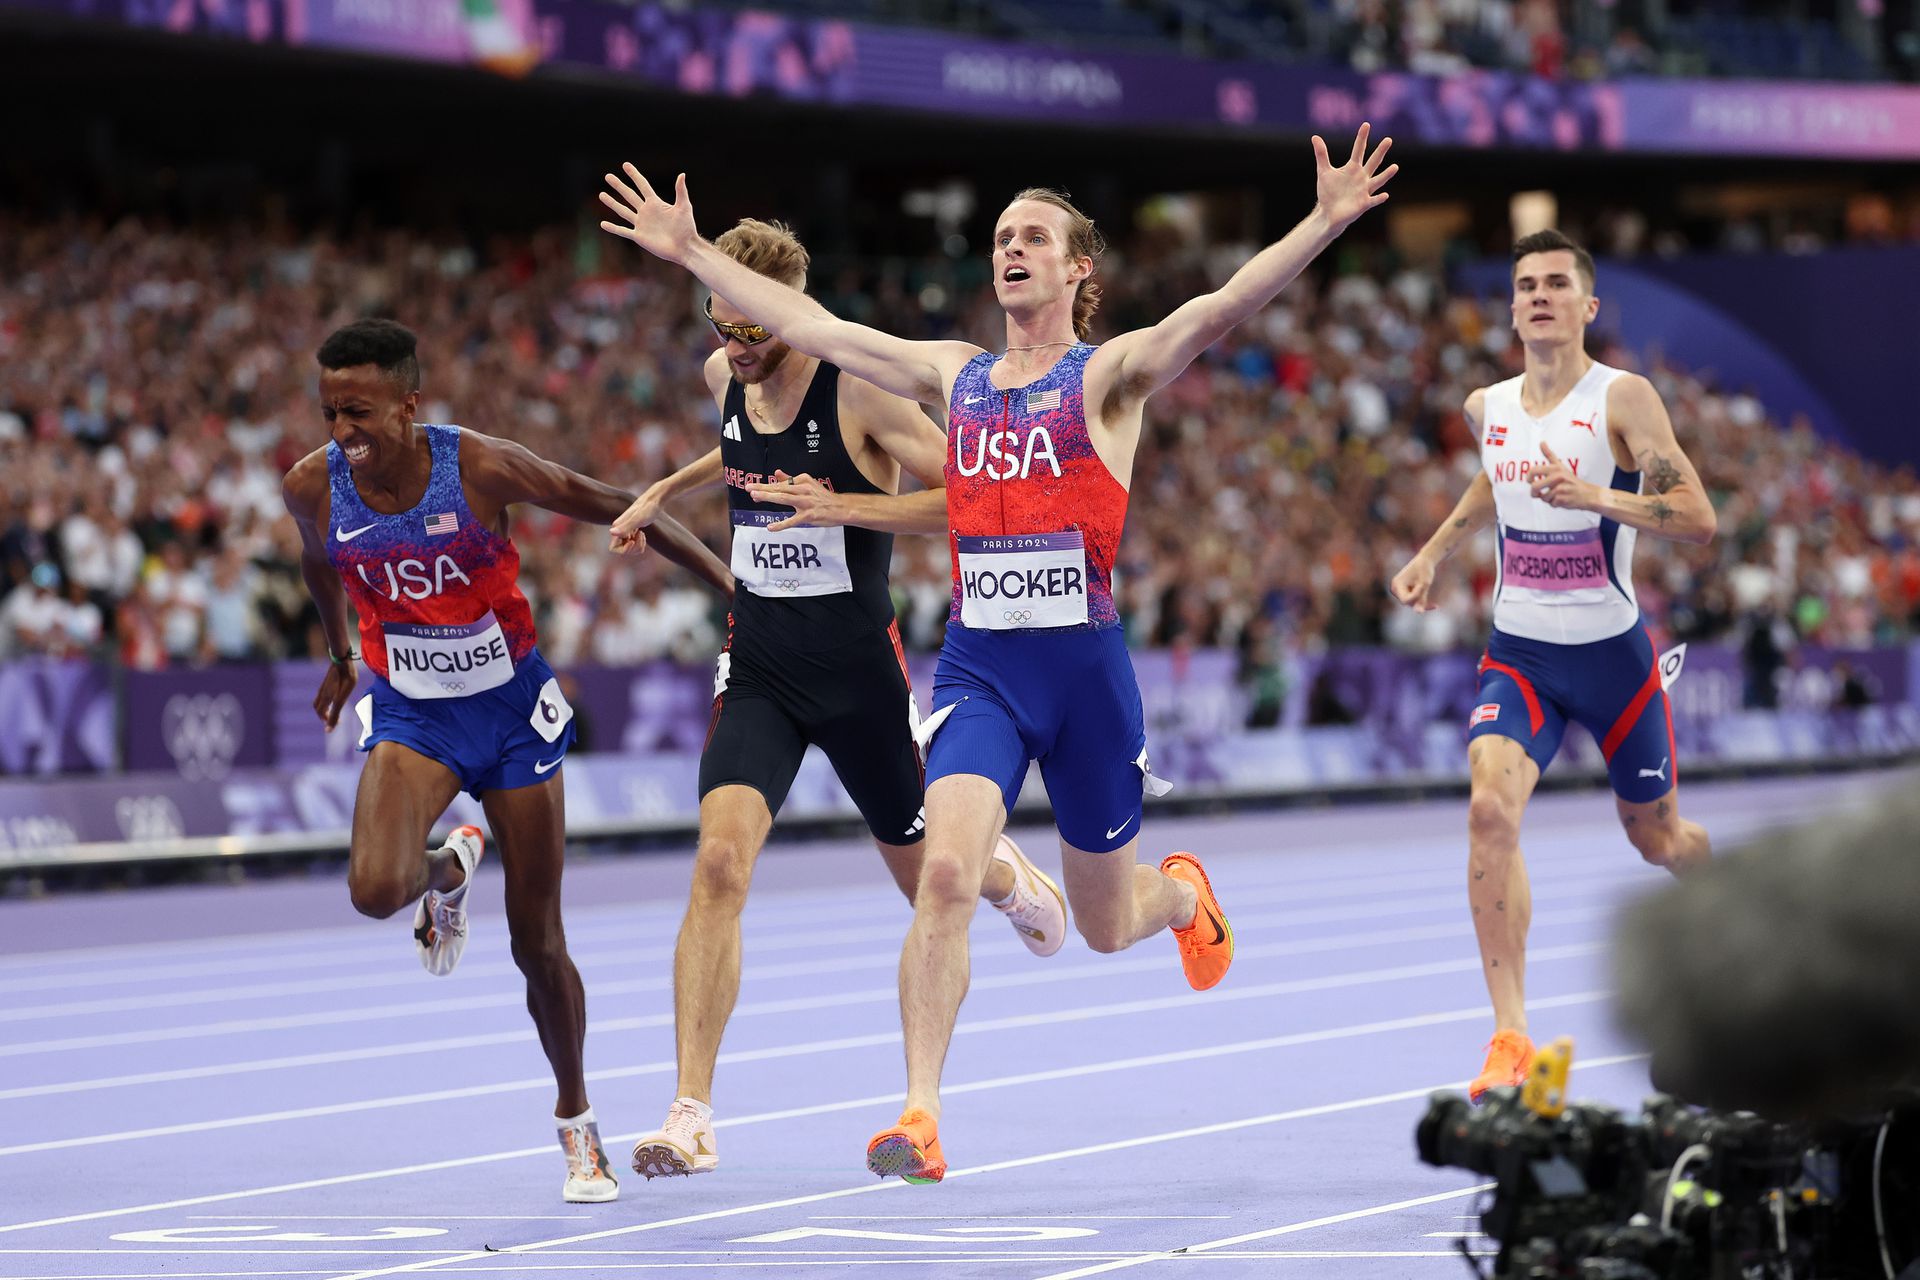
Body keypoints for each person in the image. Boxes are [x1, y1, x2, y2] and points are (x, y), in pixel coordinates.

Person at [598, 122, 1398, 1182]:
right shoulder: (952, 373)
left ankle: (1184, 897)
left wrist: (1323, 221)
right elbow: (813, 324)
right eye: (1000, 236)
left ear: (1077, 268)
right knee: (942, 871)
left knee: (1110, 921)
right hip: (983, 666)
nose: (1010, 248)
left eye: (1034, 235)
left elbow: (1222, 309)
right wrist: (694, 254)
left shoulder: (1108, 378)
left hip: (1085, 676)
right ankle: (920, 1115)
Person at [604, 219, 1067, 1181]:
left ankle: (1010, 877)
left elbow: (972, 498)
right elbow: (735, 456)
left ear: (795, 317)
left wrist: (848, 505)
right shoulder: (720, 378)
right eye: (720, 324)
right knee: (718, 866)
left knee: (931, 881)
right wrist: (664, 489)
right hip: (762, 668)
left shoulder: (858, 390)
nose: (735, 345)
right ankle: (691, 1112)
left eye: (753, 329)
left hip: (860, 681)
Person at [280, 318, 732, 1201]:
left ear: (411, 404)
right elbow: (316, 565)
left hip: (514, 716)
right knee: (375, 890)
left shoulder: (479, 466)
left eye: (362, 413)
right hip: (414, 713)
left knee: (540, 945)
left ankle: (578, 1127)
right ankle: (448, 865)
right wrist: (340, 655)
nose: (344, 434)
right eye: (331, 413)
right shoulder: (313, 486)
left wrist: (737, 593)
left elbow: (621, 503)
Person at [1388, 229, 1718, 1102]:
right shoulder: (1485, 407)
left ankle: (1723, 899)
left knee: (1656, 839)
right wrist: (1432, 552)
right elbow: (1491, 485)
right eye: (1525, 284)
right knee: (1489, 811)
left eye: (1556, 284)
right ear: (1512, 307)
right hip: (1522, 655)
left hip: (1614, 661)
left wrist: (1597, 495)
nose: (1539, 295)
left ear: (1588, 305)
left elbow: (1696, 515)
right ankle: (1510, 1036)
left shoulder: (1624, 399)